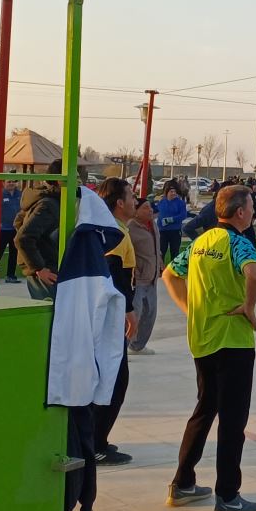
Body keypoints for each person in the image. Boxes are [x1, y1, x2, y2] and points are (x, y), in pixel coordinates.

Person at [161, 185, 256, 511]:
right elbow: (255, 274)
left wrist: (190, 309)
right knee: (233, 420)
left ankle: (182, 483)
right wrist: (249, 306)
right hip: (233, 340)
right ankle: (228, 497)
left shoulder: (201, 242)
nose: (253, 212)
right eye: (251, 207)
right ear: (240, 212)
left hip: (203, 337)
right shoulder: (238, 242)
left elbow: (169, 274)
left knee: (205, 408)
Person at [93, 178, 137, 467]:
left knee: (113, 377)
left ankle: (98, 439)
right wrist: (128, 311)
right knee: (115, 380)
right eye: (131, 196)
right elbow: (113, 275)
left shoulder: (110, 228)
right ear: (119, 203)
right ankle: (96, 444)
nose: (136, 200)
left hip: (109, 314)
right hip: (111, 316)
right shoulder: (115, 233)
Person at [15, 170, 65, 302]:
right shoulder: (48, 204)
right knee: (50, 310)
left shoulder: (42, 199)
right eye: (75, 177)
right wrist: (39, 268)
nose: (79, 181)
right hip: (46, 269)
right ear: (60, 180)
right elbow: (23, 237)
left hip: (44, 265)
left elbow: (18, 221)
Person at [128, 195, 161, 355]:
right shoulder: (130, 228)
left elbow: (156, 247)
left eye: (150, 207)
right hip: (138, 279)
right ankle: (124, 346)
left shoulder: (152, 225)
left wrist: (159, 262)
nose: (150, 210)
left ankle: (138, 346)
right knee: (135, 314)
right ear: (136, 211)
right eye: (145, 208)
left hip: (152, 278)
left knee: (150, 314)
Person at [156, 181, 188, 264]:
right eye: (171, 192)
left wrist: (171, 219)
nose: (173, 193)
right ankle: (160, 268)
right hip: (162, 231)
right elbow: (155, 212)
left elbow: (183, 215)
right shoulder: (161, 202)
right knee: (161, 251)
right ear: (166, 192)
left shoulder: (180, 203)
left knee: (174, 252)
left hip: (175, 231)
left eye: (175, 192)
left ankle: (174, 268)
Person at [0, 182, 22, 277]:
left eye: (13, 181)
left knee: (14, 253)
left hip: (16, 229)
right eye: (9, 181)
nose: (11, 183)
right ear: (4, 183)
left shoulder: (20, 194)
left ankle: (11, 275)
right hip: (3, 230)